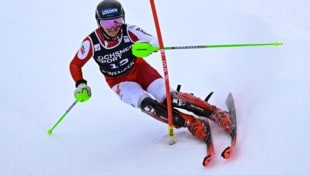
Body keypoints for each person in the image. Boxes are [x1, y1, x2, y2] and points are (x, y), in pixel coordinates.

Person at [69, 0, 232, 142]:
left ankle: (215, 113)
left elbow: (155, 41)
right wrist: (80, 84)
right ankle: (190, 122)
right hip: (120, 82)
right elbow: (75, 64)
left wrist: (148, 47)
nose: (113, 28)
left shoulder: (129, 31)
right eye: (107, 23)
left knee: (170, 97)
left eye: (117, 21)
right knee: (148, 105)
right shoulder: (91, 42)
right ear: (99, 23)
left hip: (140, 70)